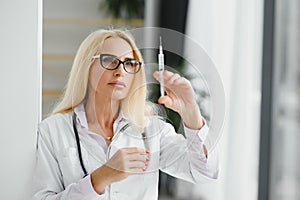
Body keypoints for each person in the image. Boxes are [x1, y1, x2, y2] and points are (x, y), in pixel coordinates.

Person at [32, 29, 219, 200]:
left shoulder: (152, 130)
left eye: (129, 63)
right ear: (86, 67)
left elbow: (205, 172)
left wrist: (192, 113)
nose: (120, 71)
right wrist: (99, 179)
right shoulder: (52, 130)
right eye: (109, 60)